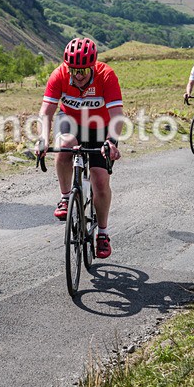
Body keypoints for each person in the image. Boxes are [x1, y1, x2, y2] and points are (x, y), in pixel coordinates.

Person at [36, 37, 123, 259]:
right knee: (64, 146)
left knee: (100, 180)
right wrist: (42, 139)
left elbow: (116, 116)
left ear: (93, 65)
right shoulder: (59, 75)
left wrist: (112, 141)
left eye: (84, 69)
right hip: (70, 121)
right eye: (74, 69)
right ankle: (66, 197)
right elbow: (46, 112)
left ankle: (102, 233)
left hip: (99, 127)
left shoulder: (106, 76)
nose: (79, 74)